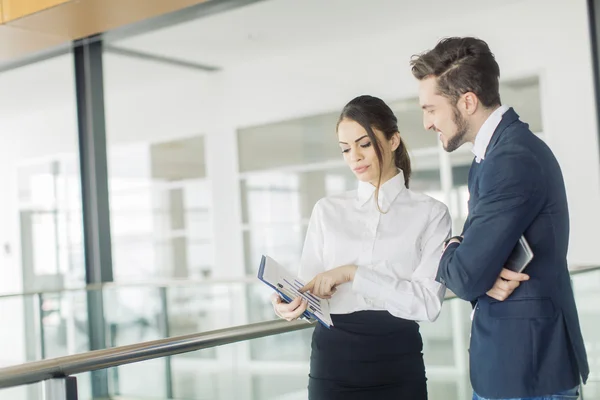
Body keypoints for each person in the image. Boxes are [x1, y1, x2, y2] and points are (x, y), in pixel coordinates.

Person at [410, 37, 589, 400]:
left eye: (431, 109)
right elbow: (476, 270)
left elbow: (464, 275)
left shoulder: (510, 160)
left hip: (527, 373)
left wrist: (452, 246)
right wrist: (476, 269)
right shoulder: (491, 158)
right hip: (515, 368)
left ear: (468, 101)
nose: (427, 123)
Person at [271, 95, 452, 400]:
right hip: (333, 362)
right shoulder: (327, 210)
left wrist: (354, 273)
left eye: (364, 144)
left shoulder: (431, 213)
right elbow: (311, 290)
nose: (353, 156)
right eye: (345, 149)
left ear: (393, 140)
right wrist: (289, 302)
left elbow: (427, 304)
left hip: (398, 361)